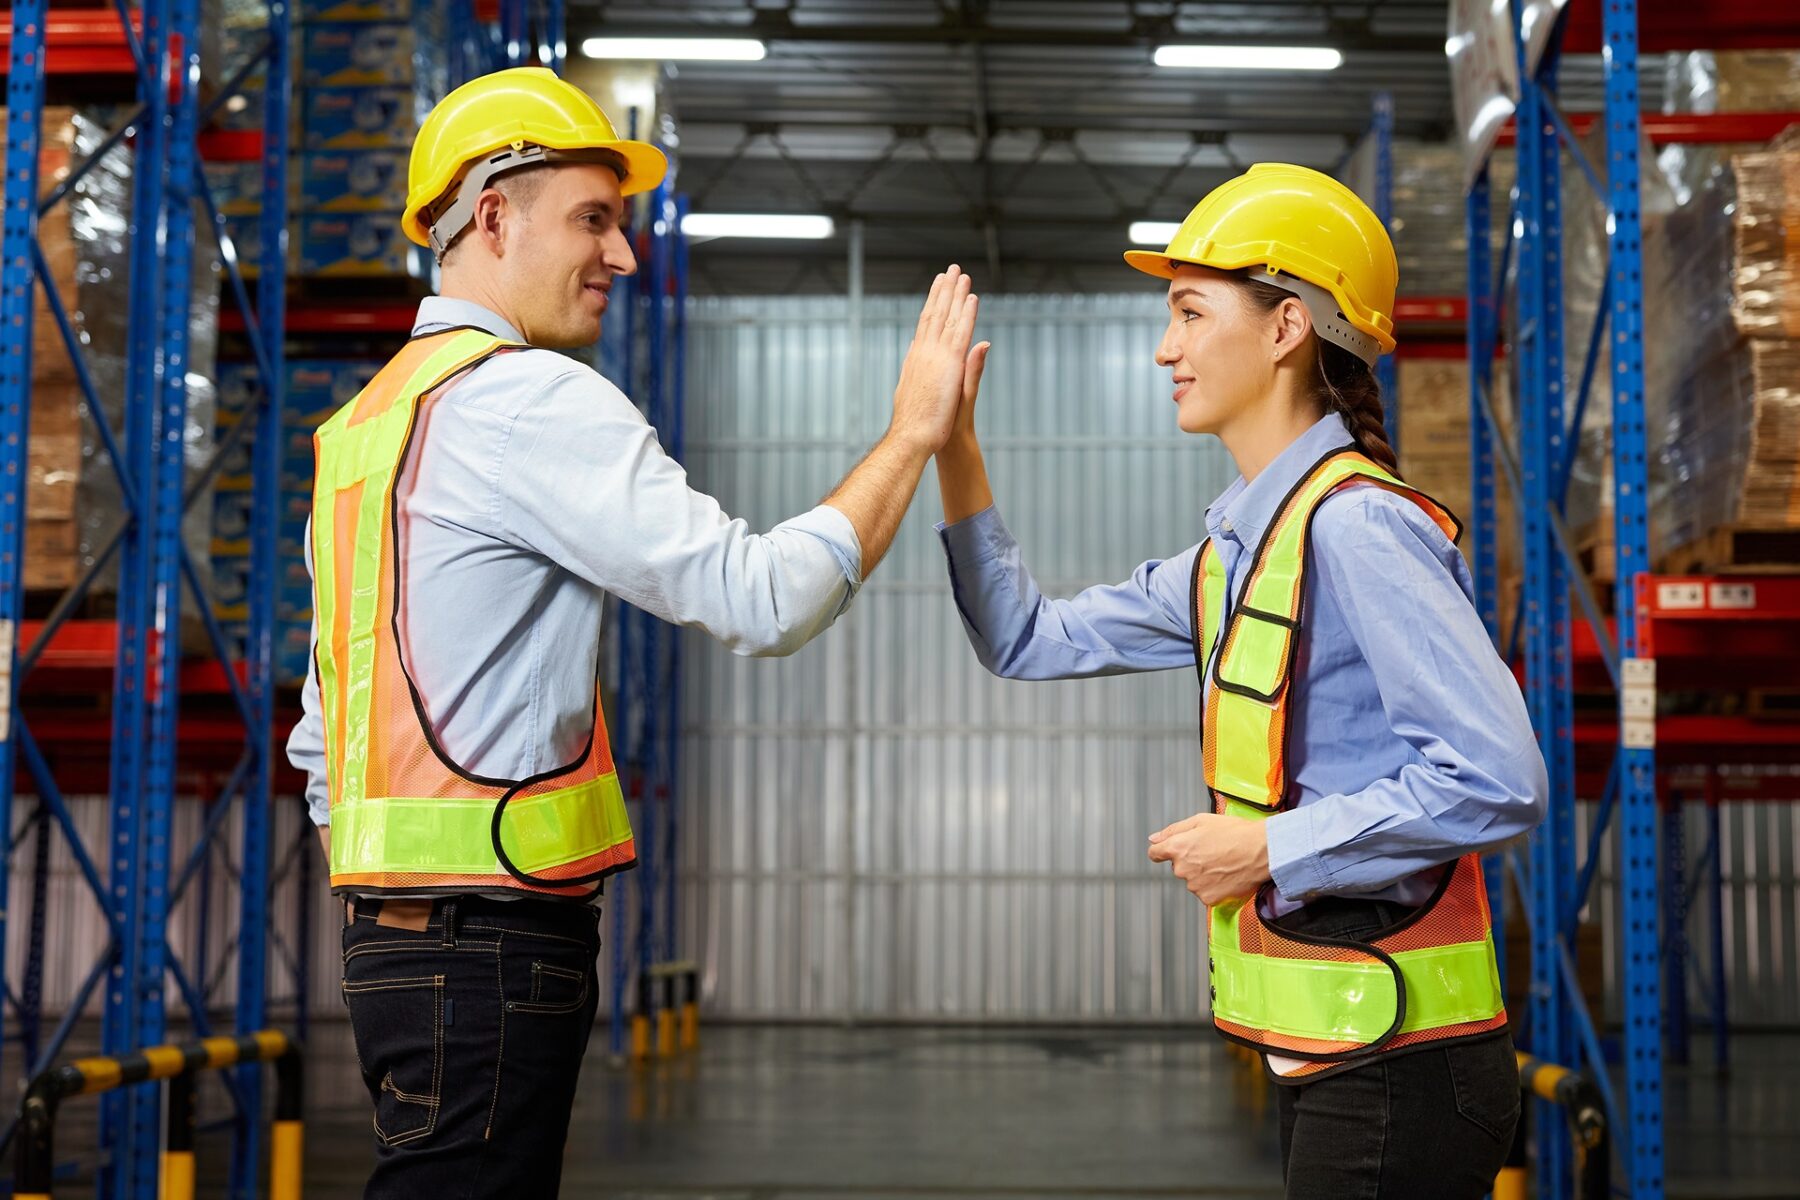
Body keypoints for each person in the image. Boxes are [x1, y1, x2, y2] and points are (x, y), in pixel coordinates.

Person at [285, 66, 983, 1198]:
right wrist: (909, 439)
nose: (622, 257)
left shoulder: (362, 429)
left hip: (390, 948)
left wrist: (392, 895)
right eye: (595, 221)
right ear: (495, 216)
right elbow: (763, 598)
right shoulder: (527, 402)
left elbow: (326, 737)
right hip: (496, 944)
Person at [932, 163, 1546, 1198]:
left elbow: (1500, 778)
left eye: (1187, 311)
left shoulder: (1359, 527)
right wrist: (950, 444)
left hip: (1408, 1068)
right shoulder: (1236, 557)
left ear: (1284, 328)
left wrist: (1265, 843)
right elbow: (1025, 637)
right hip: (1339, 1047)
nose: (1166, 347)